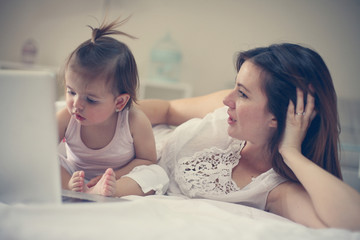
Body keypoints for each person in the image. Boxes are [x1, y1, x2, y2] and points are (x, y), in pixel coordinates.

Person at [136, 43, 360, 230]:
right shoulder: (228, 111)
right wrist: (114, 119)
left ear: (278, 116)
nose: (227, 100)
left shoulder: (274, 189)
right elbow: (166, 109)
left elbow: (352, 221)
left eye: (242, 93)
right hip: (128, 149)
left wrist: (291, 151)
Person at [57, 17, 169, 197]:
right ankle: (71, 189)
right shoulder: (65, 117)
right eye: (71, 92)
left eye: (91, 100)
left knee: (156, 174)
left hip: (116, 179)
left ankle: (110, 192)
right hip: (74, 176)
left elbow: (147, 160)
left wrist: (114, 178)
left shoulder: (134, 121)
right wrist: (68, 180)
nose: (76, 104)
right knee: (45, 158)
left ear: (119, 102)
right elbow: (40, 150)